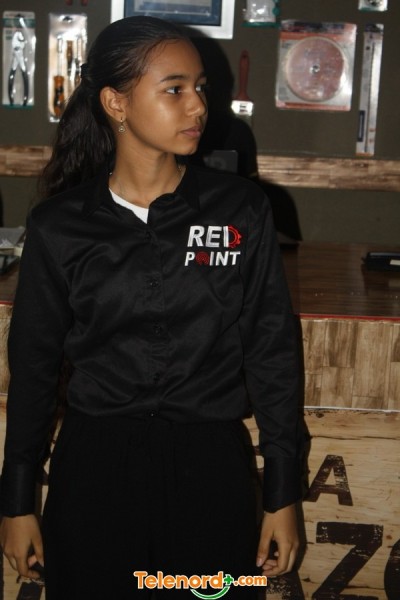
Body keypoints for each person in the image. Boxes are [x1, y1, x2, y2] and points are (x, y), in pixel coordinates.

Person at [0, 16, 303, 599]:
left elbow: (271, 352)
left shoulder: (239, 210)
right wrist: (17, 501)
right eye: (175, 89)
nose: (199, 106)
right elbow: (33, 368)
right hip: (94, 475)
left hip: (211, 472)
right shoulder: (60, 226)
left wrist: (282, 493)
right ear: (116, 103)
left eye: (200, 88)